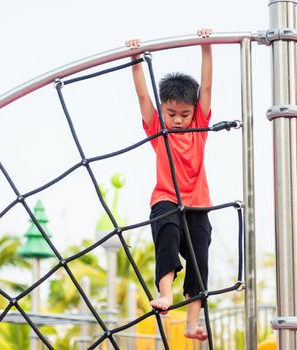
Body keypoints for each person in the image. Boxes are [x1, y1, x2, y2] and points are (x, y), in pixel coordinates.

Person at [126, 28, 213, 341]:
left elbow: (206, 86)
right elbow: (142, 96)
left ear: (194, 113)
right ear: (163, 112)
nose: (177, 120)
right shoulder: (157, 129)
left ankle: (192, 322)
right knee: (167, 236)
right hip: (165, 199)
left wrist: (207, 48)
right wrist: (135, 59)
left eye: (184, 114)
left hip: (198, 203)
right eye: (171, 113)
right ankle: (165, 295)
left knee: (199, 258)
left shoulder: (200, 126)